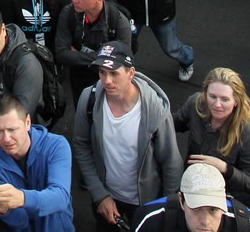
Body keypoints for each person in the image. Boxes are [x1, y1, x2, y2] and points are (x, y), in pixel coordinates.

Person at [72, 40, 183, 231]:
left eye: (114, 73)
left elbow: (171, 162)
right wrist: (100, 195)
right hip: (106, 198)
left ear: (131, 73)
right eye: (102, 73)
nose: (106, 80)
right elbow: (81, 145)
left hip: (145, 202)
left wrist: (166, 209)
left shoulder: (154, 109)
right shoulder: (89, 99)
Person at [173, 67, 250, 208]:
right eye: (212, 96)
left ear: (236, 101)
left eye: (225, 99)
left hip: (226, 201)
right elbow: (172, 124)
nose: (217, 104)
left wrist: (224, 168)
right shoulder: (196, 104)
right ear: (205, 94)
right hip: (193, 187)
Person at [0, 93, 73, 232]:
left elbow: (60, 197)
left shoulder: (56, 145)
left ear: (27, 122)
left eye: (12, 130)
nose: (6, 138)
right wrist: (5, 211)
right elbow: (21, 224)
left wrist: (22, 198)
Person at [53, 0, 132, 100]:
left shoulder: (118, 21)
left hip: (108, 83)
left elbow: (120, 62)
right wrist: (101, 58)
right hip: (79, 80)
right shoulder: (68, 13)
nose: (74, 0)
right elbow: (62, 54)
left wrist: (76, 54)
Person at [132, 163, 250, 232]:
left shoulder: (249, 228)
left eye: (213, 209)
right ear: (181, 200)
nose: (205, 221)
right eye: (196, 208)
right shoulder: (151, 220)